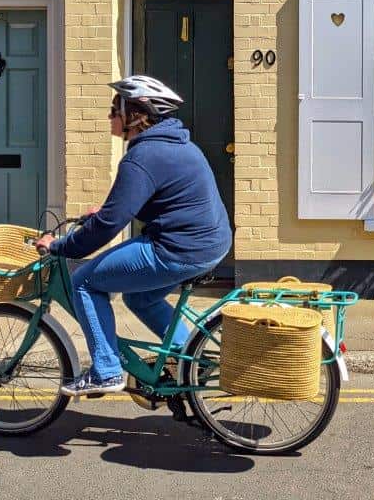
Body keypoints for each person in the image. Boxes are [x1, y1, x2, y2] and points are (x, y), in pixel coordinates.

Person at [35, 75, 232, 397]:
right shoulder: (176, 144)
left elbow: (108, 227)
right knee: (141, 296)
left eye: (115, 109)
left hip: (178, 249)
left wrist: (60, 246)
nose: (110, 116)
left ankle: (106, 371)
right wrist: (107, 212)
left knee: (84, 282)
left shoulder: (142, 157)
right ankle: (190, 359)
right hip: (209, 244)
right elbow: (153, 200)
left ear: (136, 115)